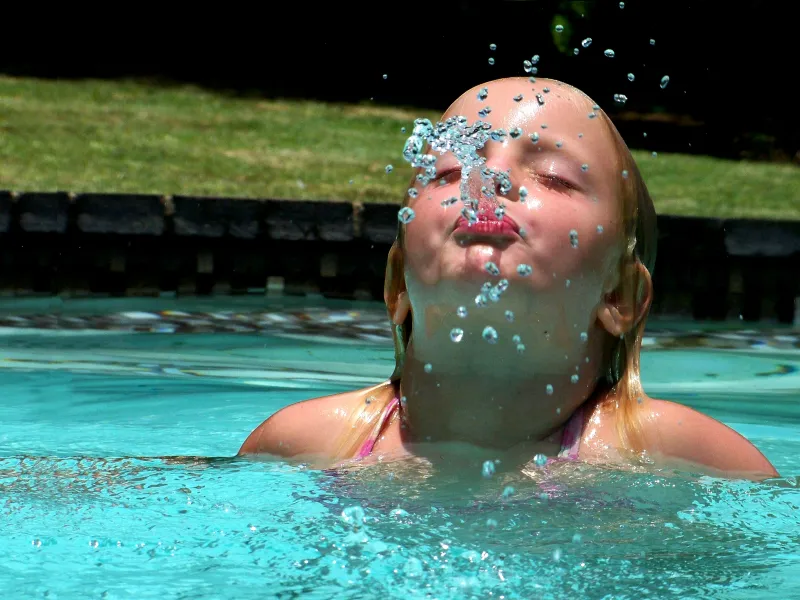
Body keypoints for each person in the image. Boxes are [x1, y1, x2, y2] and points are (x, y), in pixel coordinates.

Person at [239, 77, 778, 481]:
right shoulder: (304, 441)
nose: (488, 179)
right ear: (399, 283)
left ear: (620, 294)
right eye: (449, 171)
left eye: (553, 177)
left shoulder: (678, 453)